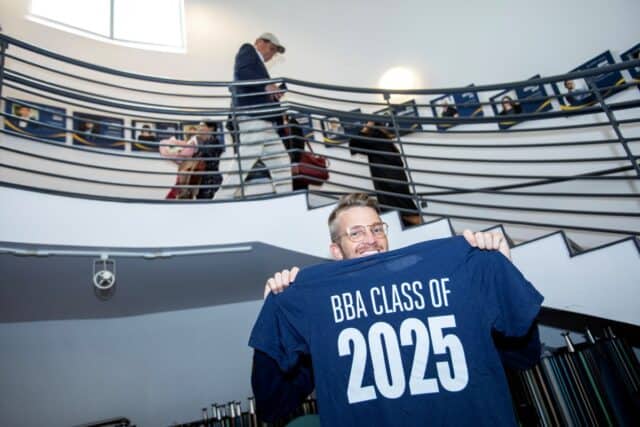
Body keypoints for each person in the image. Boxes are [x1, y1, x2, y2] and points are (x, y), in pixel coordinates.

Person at [250, 193, 543, 425]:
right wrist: (276, 320)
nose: (371, 239)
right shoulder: (319, 306)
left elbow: (523, 356)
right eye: (356, 233)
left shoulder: (450, 276)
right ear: (336, 250)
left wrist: (500, 278)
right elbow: (273, 405)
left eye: (377, 229)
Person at [215, 32, 291, 199]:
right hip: (253, 116)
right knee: (248, 156)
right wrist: (267, 85)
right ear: (259, 42)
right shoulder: (247, 49)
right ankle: (221, 198)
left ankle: (286, 199)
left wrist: (273, 93)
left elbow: (254, 85)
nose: (272, 54)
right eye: (271, 48)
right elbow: (242, 72)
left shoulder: (260, 68)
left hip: (265, 121)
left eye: (275, 52)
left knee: (281, 161)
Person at [349, 121, 421, 226]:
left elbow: (354, 143)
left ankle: (425, 231)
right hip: (394, 183)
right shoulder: (384, 140)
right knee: (403, 214)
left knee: (405, 214)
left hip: (390, 185)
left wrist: (366, 128)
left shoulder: (376, 138)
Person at [195, 120, 225, 199]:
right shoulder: (204, 143)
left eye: (202, 126)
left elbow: (204, 160)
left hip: (210, 181)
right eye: (199, 126)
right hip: (204, 180)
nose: (199, 128)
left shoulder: (214, 142)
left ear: (211, 128)